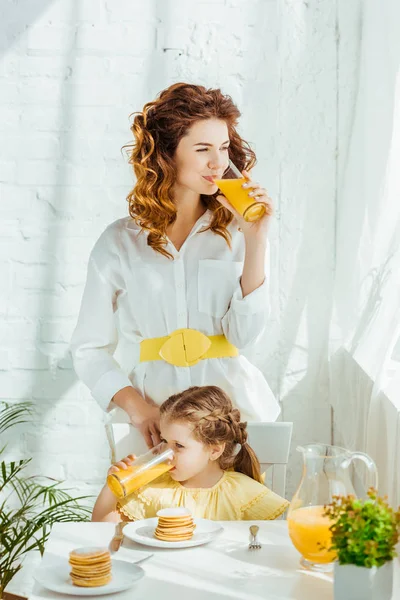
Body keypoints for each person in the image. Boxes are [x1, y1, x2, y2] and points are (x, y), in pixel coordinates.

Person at [70, 82, 280, 449]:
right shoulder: (119, 243)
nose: (218, 162)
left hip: (234, 419)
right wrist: (136, 408)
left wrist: (256, 238)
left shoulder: (238, 232)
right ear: (167, 154)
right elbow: (88, 349)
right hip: (154, 427)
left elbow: (244, 337)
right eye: (203, 149)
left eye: (224, 148)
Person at [92, 386, 289, 522]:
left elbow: (264, 543)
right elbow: (103, 528)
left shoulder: (242, 493)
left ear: (214, 450)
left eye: (179, 446)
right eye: (164, 442)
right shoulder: (152, 490)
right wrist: (111, 488)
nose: (167, 454)